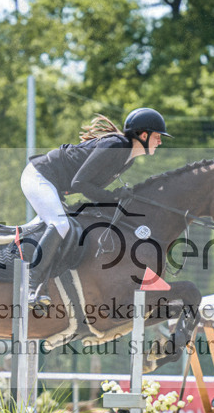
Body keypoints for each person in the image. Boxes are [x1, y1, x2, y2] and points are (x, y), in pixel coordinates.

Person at [21, 107, 170, 306]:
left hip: (55, 186)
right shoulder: (116, 146)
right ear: (144, 135)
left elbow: (92, 188)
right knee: (60, 225)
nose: (160, 141)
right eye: (158, 136)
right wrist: (112, 196)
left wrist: (116, 197)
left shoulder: (127, 159)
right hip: (40, 176)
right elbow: (80, 184)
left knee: (68, 226)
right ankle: (31, 286)